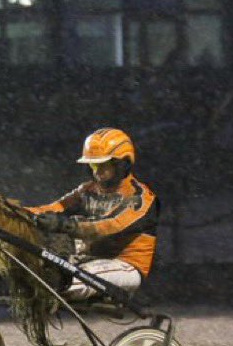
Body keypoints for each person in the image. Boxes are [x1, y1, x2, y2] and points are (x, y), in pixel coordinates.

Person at [26, 128, 159, 301]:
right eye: (94, 165)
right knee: (38, 272)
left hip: (126, 265)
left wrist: (64, 225)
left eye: (104, 165)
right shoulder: (87, 190)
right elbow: (56, 207)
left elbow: (109, 226)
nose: (97, 171)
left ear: (123, 164)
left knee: (71, 279)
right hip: (88, 260)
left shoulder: (141, 198)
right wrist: (15, 211)